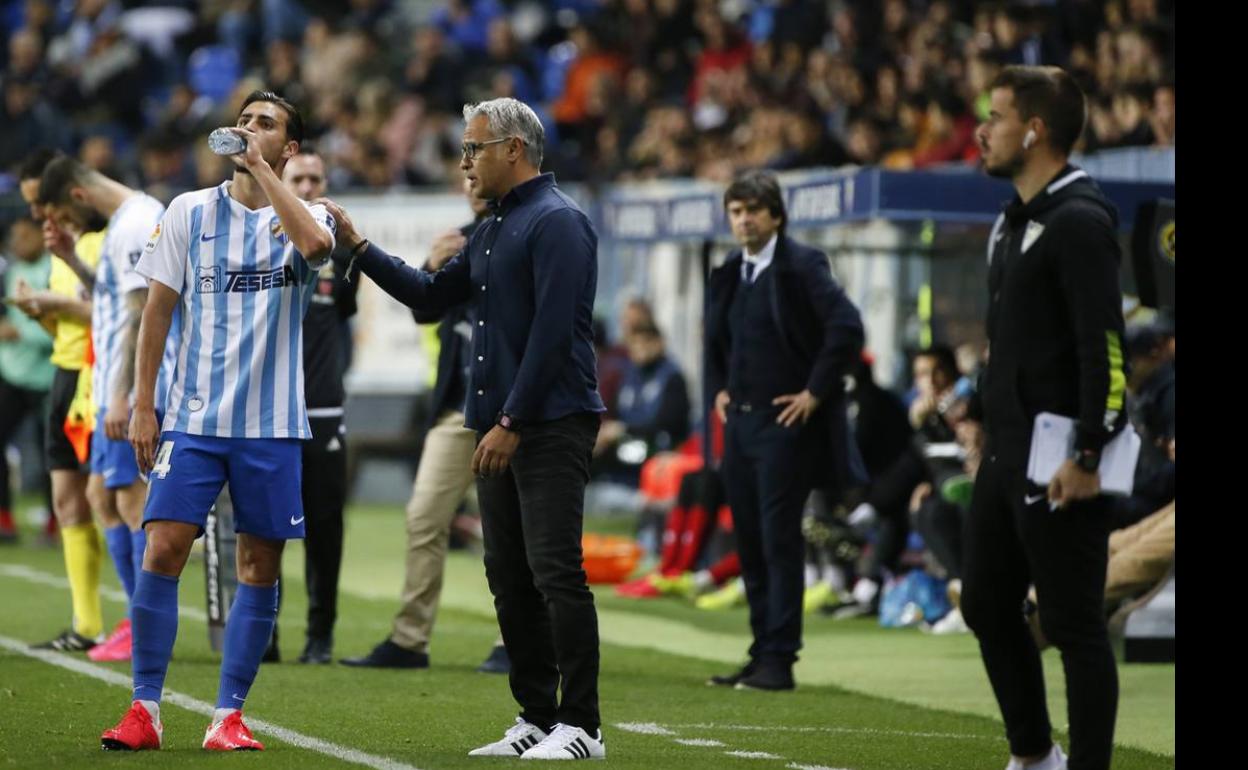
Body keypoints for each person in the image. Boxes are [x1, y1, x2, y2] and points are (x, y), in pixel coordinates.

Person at [322, 97, 607, 760]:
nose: (464, 162)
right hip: (497, 425)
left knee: (555, 571)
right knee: (508, 572)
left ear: (514, 149)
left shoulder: (558, 222)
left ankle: (583, 725)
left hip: (550, 422)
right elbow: (429, 296)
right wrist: (359, 248)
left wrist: (510, 419)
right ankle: (537, 714)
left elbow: (554, 336)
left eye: (473, 148)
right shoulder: (490, 228)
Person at [101, 90, 335, 752]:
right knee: (164, 546)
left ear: (289, 148)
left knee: (259, 563)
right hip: (196, 421)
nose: (248, 129)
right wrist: (145, 401)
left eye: (266, 125)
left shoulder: (306, 214)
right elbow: (157, 311)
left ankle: (227, 716)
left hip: (271, 428)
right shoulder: (188, 211)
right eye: (245, 120)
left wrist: (264, 170)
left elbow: (318, 248)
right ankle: (143, 708)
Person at [963, 65, 1128, 770]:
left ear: (1034, 131)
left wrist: (1089, 454)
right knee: (983, 604)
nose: (981, 129)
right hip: (1004, 452)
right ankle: (1034, 754)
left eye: (994, 116)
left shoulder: (1081, 222)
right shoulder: (1010, 221)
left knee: (1074, 624)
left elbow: (1107, 352)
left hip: (1063, 461)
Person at [703, 170, 865, 691]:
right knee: (749, 541)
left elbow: (847, 327)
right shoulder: (730, 270)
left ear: (776, 216)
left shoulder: (801, 265)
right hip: (742, 424)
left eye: (753, 209)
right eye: (736, 210)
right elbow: (714, 343)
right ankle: (760, 651)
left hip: (783, 428)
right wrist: (720, 391)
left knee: (778, 543)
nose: (744, 219)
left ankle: (781, 659)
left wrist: (815, 392)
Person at [341, 176, 508, 674]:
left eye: (480, 164)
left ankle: (517, 641)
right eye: (467, 170)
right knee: (423, 517)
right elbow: (424, 310)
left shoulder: (524, 233)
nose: (473, 179)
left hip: (508, 411)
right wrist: (433, 264)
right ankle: (410, 640)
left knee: (510, 532)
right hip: (457, 406)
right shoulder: (458, 238)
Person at [38, 153, 174, 662]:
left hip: (129, 388)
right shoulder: (124, 223)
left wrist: (123, 395)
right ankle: (137, 619)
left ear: (77, 195)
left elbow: (142, 314)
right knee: (102, 495)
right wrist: (75, 260)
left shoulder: (139, 221)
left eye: (68, 218)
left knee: (130, 502)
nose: (72, 227)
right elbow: (114, 299)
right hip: (112, 385)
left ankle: (146, 626)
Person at [9, 150, 106, 649]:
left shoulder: (101, 240)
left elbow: (114, 311)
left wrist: (53, 304)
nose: (36, 214)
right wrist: (39, 311)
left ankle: (138, 623)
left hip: (98, 377)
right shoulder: (58, 247)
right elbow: (65, 322)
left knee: (109, 501)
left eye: (39, 201)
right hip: (63, 375)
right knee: (68, 500)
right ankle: (86, 626)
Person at [274, 148, 359, 665]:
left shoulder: (342, 252)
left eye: (315, 178)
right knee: (264, 529)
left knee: (325, 529)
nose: (307, 186)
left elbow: (346, 317)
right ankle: (264, 636)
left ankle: (319, 635)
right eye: (297, 178)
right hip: (267, 410)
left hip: (322, 407)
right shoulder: (258, 238)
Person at [0, 217, 55, 542]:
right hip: (11, 373)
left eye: (24, 235)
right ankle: (4, 518)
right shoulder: (12, 270)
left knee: (52, 453)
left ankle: (55, 522)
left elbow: (64, 328)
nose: (18, 243)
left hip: (48, 376)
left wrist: (19, 332)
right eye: (14, 236)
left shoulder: (55, 270)